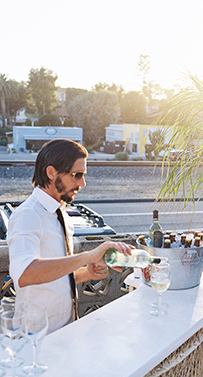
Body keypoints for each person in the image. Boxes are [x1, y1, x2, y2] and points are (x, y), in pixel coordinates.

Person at [7, 139, 132, 334]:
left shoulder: (61, 213)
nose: (83, 183)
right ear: (51, 173)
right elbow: (24, 275)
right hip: (36, 338)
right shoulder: (27, 215)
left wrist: (87, 273)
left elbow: (54, 275)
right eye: (77, 175)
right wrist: (89, 256)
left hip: (66, 331)